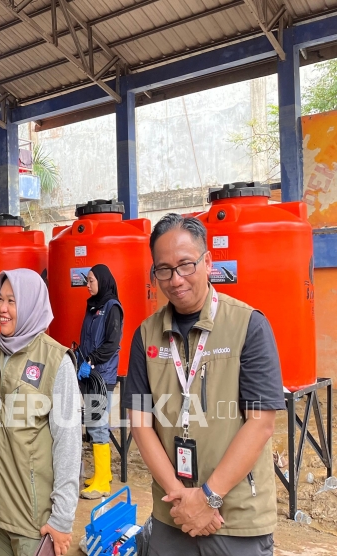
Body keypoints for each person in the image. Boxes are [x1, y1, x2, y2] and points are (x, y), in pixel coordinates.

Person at [122, 214, 284, 554]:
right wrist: (182, 500)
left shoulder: (248, 326)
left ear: (208, 262)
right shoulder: (146, 335)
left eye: (185, 265)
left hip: (235, 518)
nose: (175, 279)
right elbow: (140, 423)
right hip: (173, 515)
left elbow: (261, 424)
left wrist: (209, 497)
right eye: (163, 269)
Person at [0, 269, 80, 556]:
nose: (2, 309)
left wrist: (62, 518)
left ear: (30, 304)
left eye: (12, 301)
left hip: (33, 523)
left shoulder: (56, 361)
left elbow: (68, 442)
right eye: (0, 299)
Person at [77, 264, 123, 499]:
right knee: (93, 424)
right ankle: (100, 476)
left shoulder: (112, 307)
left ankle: (103, 484)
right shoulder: (93, 306)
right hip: (89, 375)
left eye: (91, 280)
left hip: (101, 377)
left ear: (103, 281)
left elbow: (112, 344)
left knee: (97, 425)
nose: (88, 284)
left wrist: (92, 361)